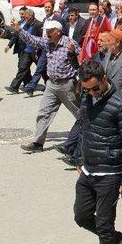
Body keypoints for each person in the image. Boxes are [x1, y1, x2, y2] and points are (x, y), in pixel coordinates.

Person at [74, 60, 122, 244]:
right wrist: (79, 157)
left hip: (109, 174)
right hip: (88, 170)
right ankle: (116, 239)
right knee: (81, 216)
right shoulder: (86, 99)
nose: (92, 93)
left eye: (95, 88)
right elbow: (83, 129)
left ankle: (109, 239)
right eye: (87, 89)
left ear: (104, 78)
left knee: (104, 223)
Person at [12, 19, 81, 152]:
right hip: (51, 85)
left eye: (50, 31)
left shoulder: (70, 44)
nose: (47, 34)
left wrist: (79, 81)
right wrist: (19, 30)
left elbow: (81, 62)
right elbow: (33, 40)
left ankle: (84, 139)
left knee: (79, 113)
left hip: (67, 84)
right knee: (43, 113)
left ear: (58, 32)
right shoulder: (47, 42)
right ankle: (38, 143)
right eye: (47, 31)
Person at [24, 1, 61, 96]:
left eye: (49, 7)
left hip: (55, 48)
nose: (47, 9)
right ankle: (31, 87)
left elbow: (63, 32)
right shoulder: (45, 20)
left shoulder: (58, 19)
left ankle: (55, 87)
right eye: (46, 7)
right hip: (45, 47)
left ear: (53, 8)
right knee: (40, 67)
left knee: (54, 68)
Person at [5, 9, 42, 94]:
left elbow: (40, 39)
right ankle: (14, 87)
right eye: (23, 16)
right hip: (27, 50)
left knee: (42, 70)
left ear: (31, 16)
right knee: (22, 68)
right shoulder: (25, 23)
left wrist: (37, 50)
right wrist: (9, 45)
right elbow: (17, 34)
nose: (24, 18)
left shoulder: (39, 24)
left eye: (26, 16)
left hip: (35, 52)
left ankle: (50, 85)